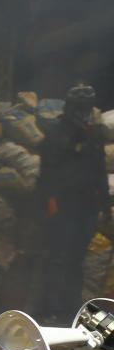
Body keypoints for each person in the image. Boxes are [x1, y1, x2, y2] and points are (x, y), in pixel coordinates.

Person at [35, 83, 109, 323]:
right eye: (80, 107)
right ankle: (50, 309)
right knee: (58, 257)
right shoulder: (57, 131)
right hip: (64, 204)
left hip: (86, 206)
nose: (84, 111)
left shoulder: (93, 133)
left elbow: (99, 171)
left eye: (87, 107)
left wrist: (105, 206)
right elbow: (46, 173)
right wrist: (50, 202)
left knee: (77, 258)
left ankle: (72, 309)